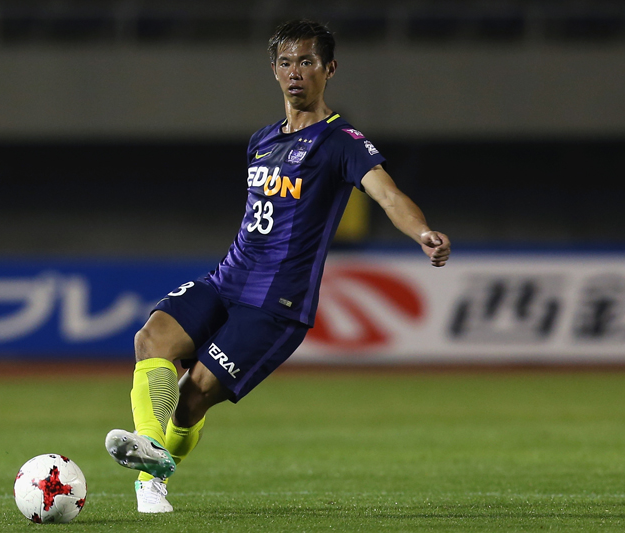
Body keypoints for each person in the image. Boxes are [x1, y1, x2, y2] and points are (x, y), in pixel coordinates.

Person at [105, 19, 451, 513]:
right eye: (286, 62)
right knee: (151, 339)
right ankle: (150, 454)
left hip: (276, 304)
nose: (295, 72)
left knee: (191, 396)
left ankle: (153, 472)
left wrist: (422, 232)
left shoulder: (342, 142)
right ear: (273, 70)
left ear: (329, 69)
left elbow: (387, 194)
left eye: (307, 61)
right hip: (226, 279)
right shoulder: (261, 140)